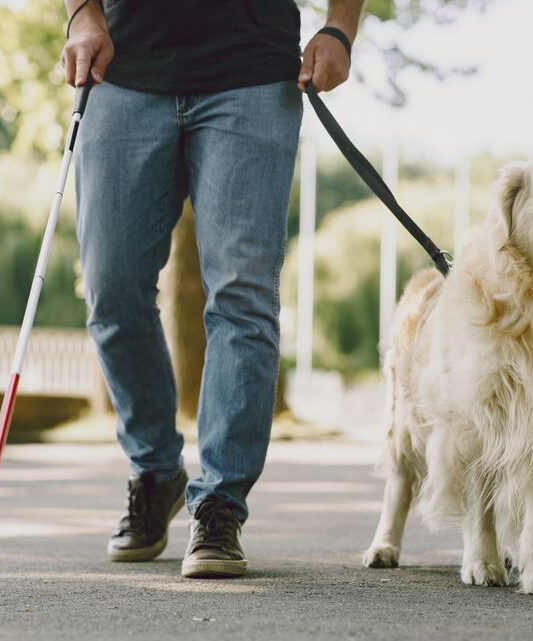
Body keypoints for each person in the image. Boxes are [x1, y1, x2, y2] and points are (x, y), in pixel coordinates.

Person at [60, 0, 364, 578]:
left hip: (250, 75)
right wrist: (82, 16)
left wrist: (340, 28)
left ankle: (221, 502)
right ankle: (155, 471)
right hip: (124, 72)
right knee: (112, 288)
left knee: (242, 297)